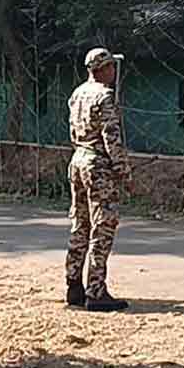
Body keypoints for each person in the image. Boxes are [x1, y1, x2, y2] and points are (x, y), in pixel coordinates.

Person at [65, 47, 133, 312]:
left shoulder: (78, 94)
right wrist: (124, 172)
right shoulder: (105, 97)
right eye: (111, 67)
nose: (114, 72)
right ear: (102, 69)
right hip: (98, 166)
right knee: (102, 226)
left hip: (78, 159)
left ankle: (73, 284)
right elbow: (111, 139)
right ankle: (96, 290)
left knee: (80, 223)